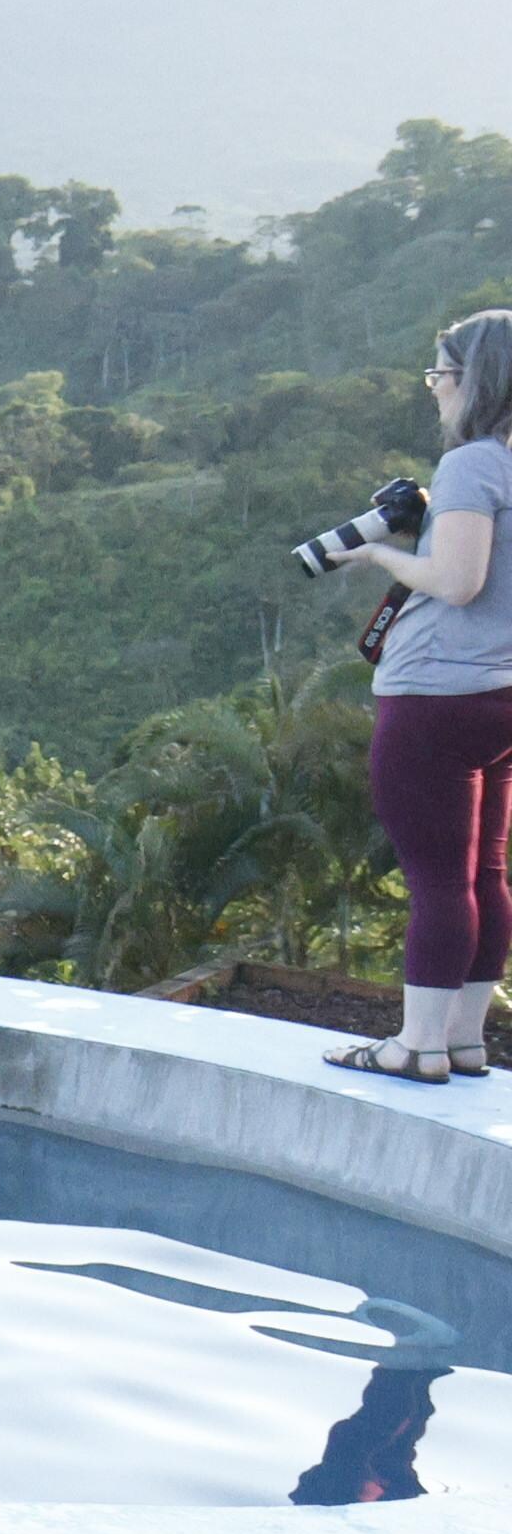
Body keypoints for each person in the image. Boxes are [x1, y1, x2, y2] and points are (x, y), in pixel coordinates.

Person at [324, 308, 512, 1083]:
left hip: (437, 695)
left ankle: (417, 1046)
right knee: (484, 874)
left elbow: (458, 582)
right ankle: (464, 1041)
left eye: (440, 374)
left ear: (476, 380)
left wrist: (379, 555)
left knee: (437, 880)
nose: (435, 388)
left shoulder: (472, 464)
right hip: (501, 694)